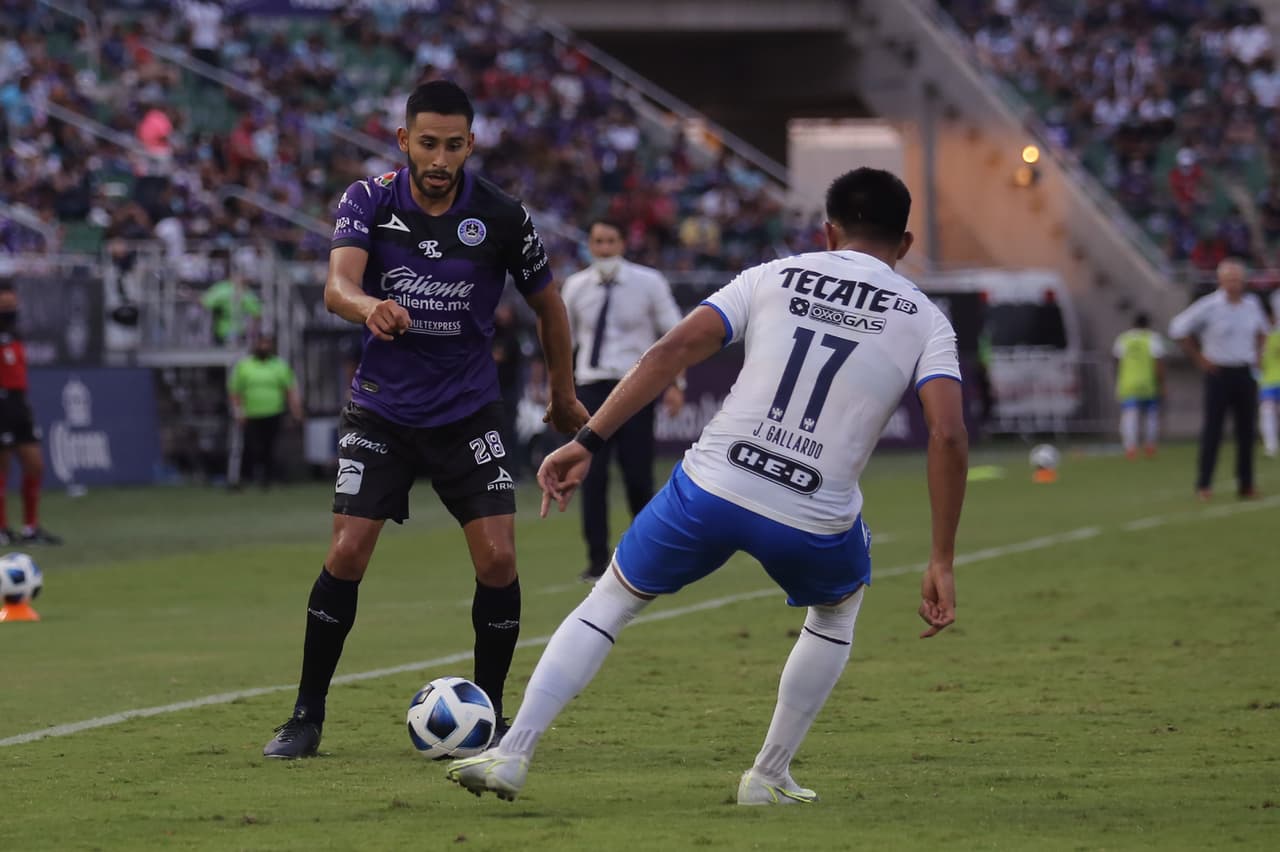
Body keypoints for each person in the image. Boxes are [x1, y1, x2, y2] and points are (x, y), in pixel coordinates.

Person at [447, 168, 967, 805]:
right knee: (835, 610)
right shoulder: (926, 320)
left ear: (828, 232)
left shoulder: (772, 276)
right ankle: (768, 775)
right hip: (813, 509)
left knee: (610, 598)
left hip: (713, 484)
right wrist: (941, 557)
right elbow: (946, 435)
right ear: (905, 243)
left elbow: (670, 351)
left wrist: (587, 441)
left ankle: (514, 752)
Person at [263, 80, 587, 759]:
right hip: (381, 408)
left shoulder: (502, 217)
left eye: (454, 145)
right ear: (405, 139)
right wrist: (366, 307)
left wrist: (562, 394)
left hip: (468, 413)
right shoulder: (369, 200)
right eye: (428, 143)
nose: (439, 159)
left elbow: (550, 307)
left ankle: (492, 717)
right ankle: (305, 715)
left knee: (499, 559)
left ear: (471, 144)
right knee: (347, 553)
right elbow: (337, 285)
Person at [559, 219, 686, 581]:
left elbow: (673, 333)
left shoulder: (649, 283)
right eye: (597, 241)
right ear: (590, 244)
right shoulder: (576, 286)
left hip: (635, 386)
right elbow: (564, 341)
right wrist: (561, 390)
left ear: (623, 243)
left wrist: (676, 383)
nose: (604, 249)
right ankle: (597, 561)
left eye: (610, 240)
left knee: (637, 476)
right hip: (591, 386)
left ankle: (648, 556)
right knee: (591, 476)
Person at [1169, 258, 1270, 501]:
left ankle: (1246, 484)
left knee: (1247, 432)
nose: (1234, 284)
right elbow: (1178, 328)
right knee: (1213, 430)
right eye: (1229, 279)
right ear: (1220, 281)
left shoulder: (1251, 304)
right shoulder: (1210, 306)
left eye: (1237, 279)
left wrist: (1258, 355)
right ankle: (1204, 484)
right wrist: (1199, 358)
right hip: (1219, 373)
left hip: (1244, 372)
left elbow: (1263, 331)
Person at [0, 284, 61, 545]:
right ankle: (2, 529)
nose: (10, 311)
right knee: (2, 467)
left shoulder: (16, 333)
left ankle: (30, 528)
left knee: (35, 464)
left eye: (12, 306)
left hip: (19, 402)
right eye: (4, 307)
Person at [227, 333, 302, 489]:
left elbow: (290, 389)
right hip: (251, 413)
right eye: (261, 343)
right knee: (251, 447)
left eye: (267, 343)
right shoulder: (244, 365)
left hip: (273, 412)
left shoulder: (279, 365)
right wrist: (238, 411)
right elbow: (235, 391)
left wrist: (296, 411)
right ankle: (245, 478)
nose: (264, 347)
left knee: (269, 447)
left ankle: (266, 479)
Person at [1112, 312, 1166, 458]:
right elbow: (1158, 363)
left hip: (1128, 384)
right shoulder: (1153, 338)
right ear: (1148, 324)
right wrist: (1162, 383)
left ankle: (1130, 448)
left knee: (1130, 416)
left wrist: (1118, 379)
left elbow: (1116, 361)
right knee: (1151, 416)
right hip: (1148, 384)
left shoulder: (1123, 339)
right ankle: (1150, 446)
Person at [202, 268, 261, 346]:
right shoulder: (224, 288)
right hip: (225, 327)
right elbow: (207, 302)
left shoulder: (245, 291)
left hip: (236, 329)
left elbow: (257, 312)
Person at [1259, 312, 1280, 458]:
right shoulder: (1259, 338)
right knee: (1267, 412)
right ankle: (1270, 445)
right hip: (1267, 382)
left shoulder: (1277, 336)